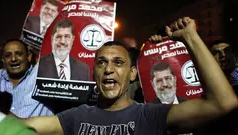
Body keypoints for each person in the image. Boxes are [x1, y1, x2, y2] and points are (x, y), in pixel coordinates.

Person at [20, 17, 238, 135]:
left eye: (118, 63)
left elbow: (223, 103)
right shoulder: (75, 117)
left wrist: (190, 37)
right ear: (93, 73)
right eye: (101, 63)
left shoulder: (152, 116)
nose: (108, 69)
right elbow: (22, 128)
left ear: (133, 74)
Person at [0, 39, 53, 118]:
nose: (13, 59)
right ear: (3, 60)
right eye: (8, 55)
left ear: (29, 56)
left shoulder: (42, 74)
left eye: (19, 54)